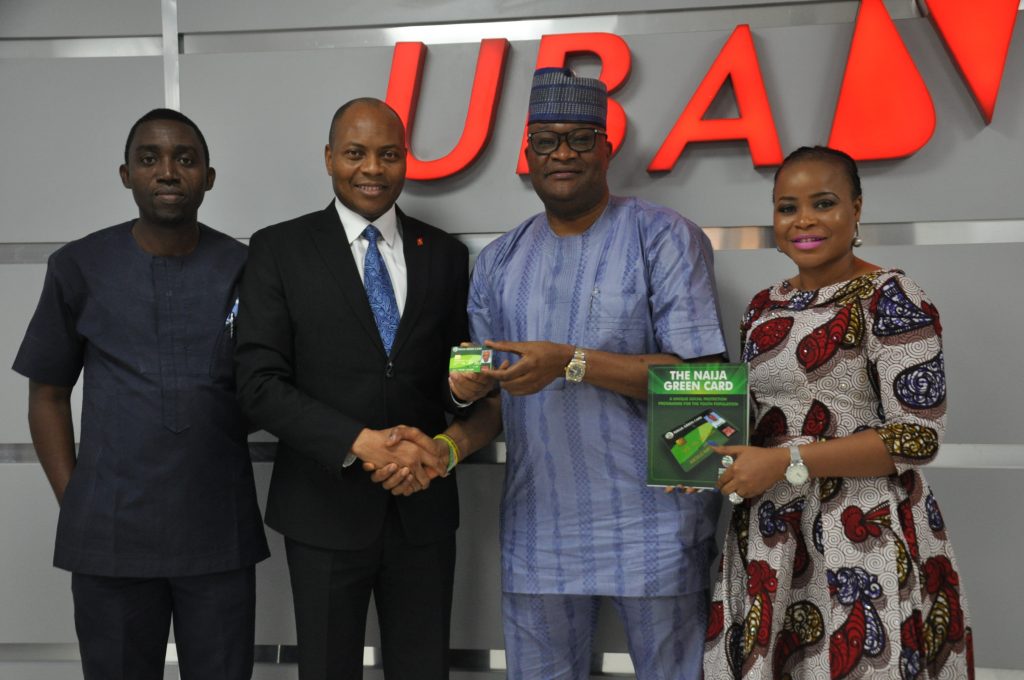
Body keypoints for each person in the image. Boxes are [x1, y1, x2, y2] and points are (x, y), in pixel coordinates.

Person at [375, 67, 729, 680]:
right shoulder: (500, 261)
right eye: (546, 140)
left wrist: (572, 362)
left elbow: (703, 384)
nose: (562, 153)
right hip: (541, 529)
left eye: (580, 138)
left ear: (606, 149)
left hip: (655, 527)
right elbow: (494, 405)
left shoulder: (666, 237)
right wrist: (449, 440)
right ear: (528, 153)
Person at [12, 108, 270, 680]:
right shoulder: (79, 266)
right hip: (110, 538)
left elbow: (269, 386)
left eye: (185, 158)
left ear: (209, 175)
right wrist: (76, 498)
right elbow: (47, 395)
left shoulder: (246, 267)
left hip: (217, 533)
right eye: (149, 158)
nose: (168, 171)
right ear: (126, 175)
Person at [703, 146, 973, 678]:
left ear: (856, 209)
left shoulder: (891, 298)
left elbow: (917, 439)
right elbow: (758, 420)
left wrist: (785, 462)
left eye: (822, 203)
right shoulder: (763, 306)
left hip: (864, 529)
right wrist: (690, 459)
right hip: (771, 528)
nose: (803, 220)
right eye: (787, 207)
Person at [234, 97, 469, 680]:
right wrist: (359, 442)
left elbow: (458, 384)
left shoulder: (445, 254)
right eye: (356, 153)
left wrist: (463, 395)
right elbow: (258, 384)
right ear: (329, 158)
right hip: (322, 511)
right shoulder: (278, 249)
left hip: (423, 509)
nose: (372, 168)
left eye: (388, 155)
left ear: (405, 162)